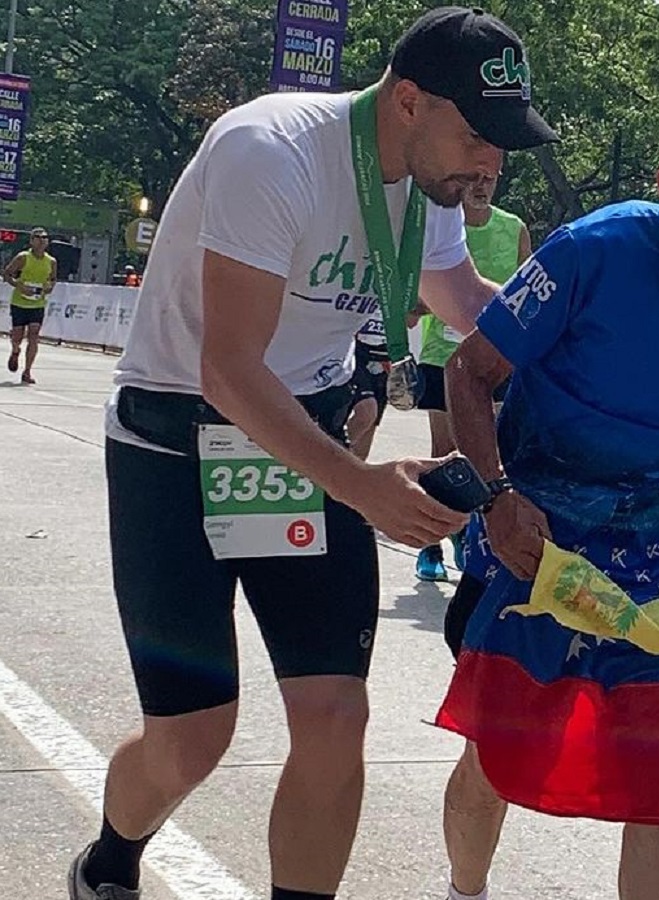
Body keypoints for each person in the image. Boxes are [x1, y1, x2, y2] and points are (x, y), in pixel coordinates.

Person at [72, 9, 556, 900]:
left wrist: (591, 354)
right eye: (477, 136)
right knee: (193, 735)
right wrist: (361, 486)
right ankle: (109, 858)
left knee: (335, 716)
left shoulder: (427, 186)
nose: (490, 163)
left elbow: (462, 299)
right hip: (175, 445)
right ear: (408, 102)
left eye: (502, 141)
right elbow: (228, 369)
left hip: (303, 446)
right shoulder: (270, 150)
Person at [433, 109, 659, 900]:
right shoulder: (591, 251)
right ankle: (464, 892)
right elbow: (469, 371)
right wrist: (496, 498)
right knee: (500, 746)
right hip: (540, 540)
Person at [414, 155, 531, 581]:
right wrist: (440, 305)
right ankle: (430, 544)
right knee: (445, 453)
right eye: (475, 178)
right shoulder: (441, 222)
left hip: (495, 358)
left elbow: (527, 292)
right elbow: (415, 295)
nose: (481, 186)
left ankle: (474, 538)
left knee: (489, 451)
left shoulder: (513, 227)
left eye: (490, 179)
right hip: (441, 354)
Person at [5, 227, 58, 384]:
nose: (42, 240)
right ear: (31, 241)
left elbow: (53, 279)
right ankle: (15, 350)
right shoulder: (23, 257)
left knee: (34, 335)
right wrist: (19, 286)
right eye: (38, 237)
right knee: (17, 335)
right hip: (20, 302)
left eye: (45, 237)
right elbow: (7, 274)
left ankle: (27, 371)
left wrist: (49, 287)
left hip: (37, 303)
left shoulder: (51, 261)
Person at [344, 319, 391, 460]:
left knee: (371, 422)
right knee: (366, 413)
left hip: (383, 356)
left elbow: (411, 321)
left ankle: (355, 470)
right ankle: (328, 456)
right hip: (355, 354)